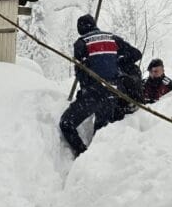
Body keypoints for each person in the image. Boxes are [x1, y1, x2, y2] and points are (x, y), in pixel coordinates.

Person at [59, 14, 142, 157]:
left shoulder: (81, 43)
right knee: (101, 135)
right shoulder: (112, 38)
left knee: (66, 123)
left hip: (94, 93)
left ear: (80, 28)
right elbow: (136, 54)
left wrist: (84, 92)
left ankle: (82, 155)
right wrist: (117, 64)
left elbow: (81, 74)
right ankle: (98, 164)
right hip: (114, 92)